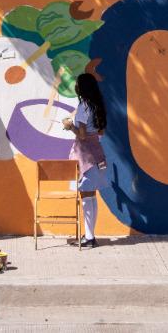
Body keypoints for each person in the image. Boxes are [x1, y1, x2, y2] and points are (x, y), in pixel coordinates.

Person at [64, 72, 109, 248]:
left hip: (85, 156)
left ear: (82, 88)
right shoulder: (97, 105)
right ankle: (90, 235)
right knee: (91, 195)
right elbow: (100, 132)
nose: (76, 87)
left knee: (85, 194)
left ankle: (89, 238)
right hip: (96, 153)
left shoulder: (84, 106)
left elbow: (82, 135)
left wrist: (70, 126)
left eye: (77, 84)